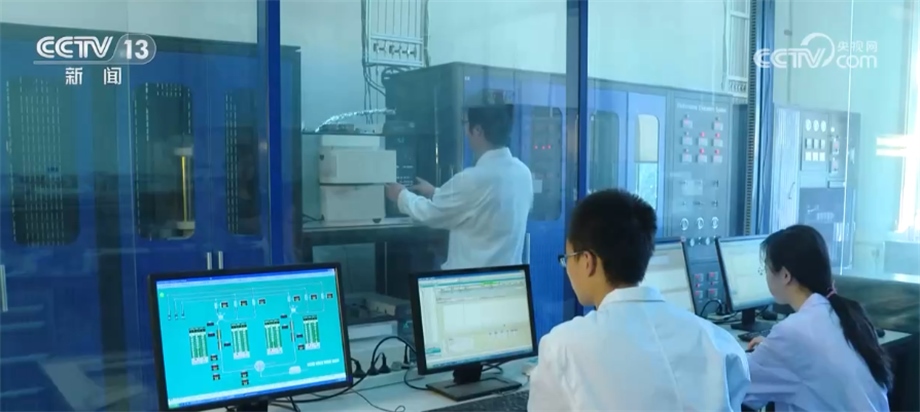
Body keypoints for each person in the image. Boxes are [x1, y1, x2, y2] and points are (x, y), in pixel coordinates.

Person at [528, 189, 750, 411]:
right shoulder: (719, 343)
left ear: (588, 261)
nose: (567, 268)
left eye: (568, 259)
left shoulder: (562, 348)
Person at [744, 224, 891, 411]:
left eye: (766, 269)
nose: (765, 276)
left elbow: (740, 385)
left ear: (785, 275)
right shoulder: (843, 314)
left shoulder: (793, 332)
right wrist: (773, 349)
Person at [384, 99, 533, 270]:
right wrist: (436, 192)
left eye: (465, 123)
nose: (465, 131)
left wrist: (401, 195)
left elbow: (431, 214)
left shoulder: (472, 179)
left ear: (477, 130)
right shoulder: (523, 173)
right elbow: (484, 206)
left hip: (471, 281)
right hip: (507, 279)